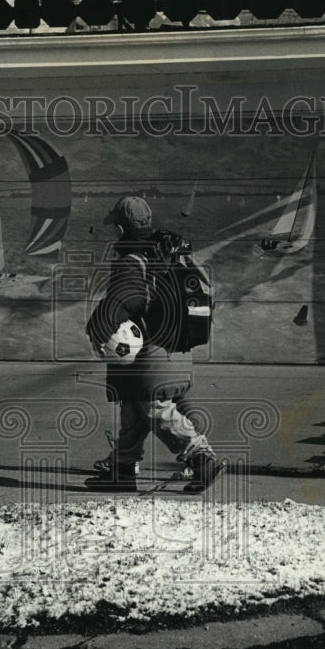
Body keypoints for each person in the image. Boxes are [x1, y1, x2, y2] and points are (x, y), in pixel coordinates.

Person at [85, 196, 223, 492]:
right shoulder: (166, 253)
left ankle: (201, 457)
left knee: (154, 409)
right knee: (133, 411)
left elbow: (120, 303)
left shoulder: (133, 262)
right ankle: (122, 471)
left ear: (121, 229)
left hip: (153, 355)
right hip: (178, 348)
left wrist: (96, 330)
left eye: (114, 227)